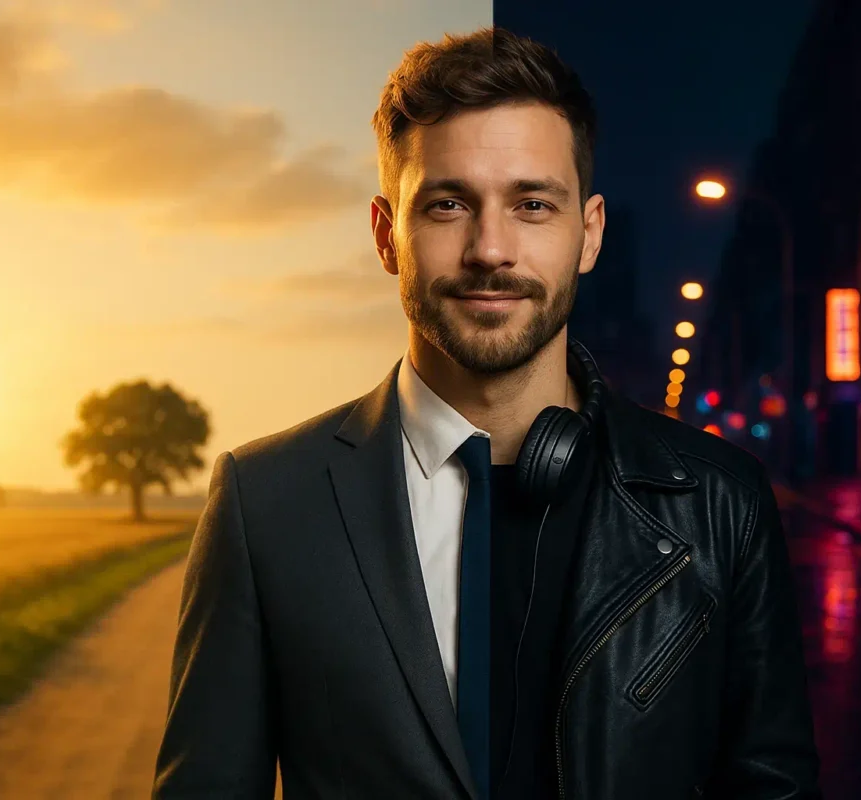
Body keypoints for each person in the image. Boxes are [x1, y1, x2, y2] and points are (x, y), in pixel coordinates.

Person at [152, 25, 821, 800]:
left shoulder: (723, 501)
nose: (490, 249)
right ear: (386, 236)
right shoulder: (264, 500)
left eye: (532, 204)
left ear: (589, 235)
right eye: (447, 205)